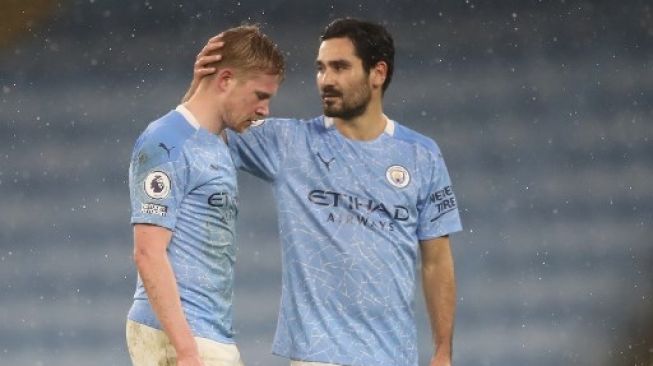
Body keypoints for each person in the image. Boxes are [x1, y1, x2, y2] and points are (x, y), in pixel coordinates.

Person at [189, 18, 462, 366]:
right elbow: (199, 132)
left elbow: (437, 260)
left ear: (377, 73)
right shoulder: (288, 143)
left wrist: (442, 352)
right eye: (321, 69)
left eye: (340, 67)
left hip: (394, 355)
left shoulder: (422, 156)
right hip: (317, 356)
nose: (326, 80)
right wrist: (204, 88)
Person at [127, 25, 284, 366]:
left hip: (204, 333)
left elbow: (197, 118)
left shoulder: (215, 140)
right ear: (225, 80)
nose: (264, 110)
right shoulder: (165, 143)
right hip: (185, 338)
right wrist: (185, 351)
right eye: (260, 95)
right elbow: (147, 252)